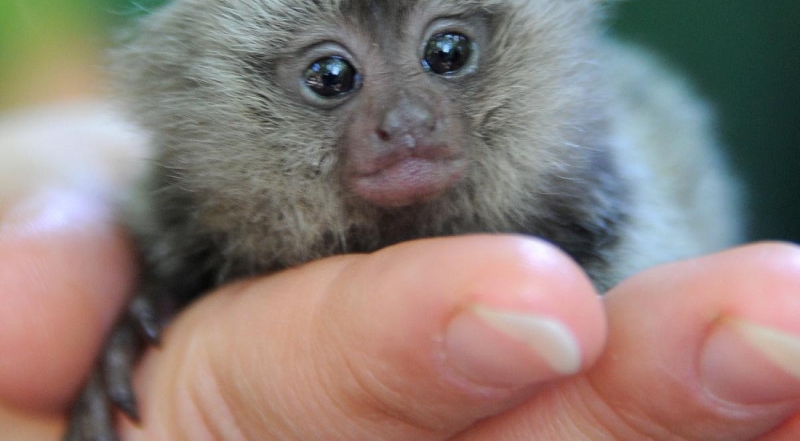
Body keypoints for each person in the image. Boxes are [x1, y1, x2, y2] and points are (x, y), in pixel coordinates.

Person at [1, 103, 799, 440]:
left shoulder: (603, 182)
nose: (404, 118)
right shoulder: (183, 202)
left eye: (447, 54)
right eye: (332, 80)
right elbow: (93, 77)